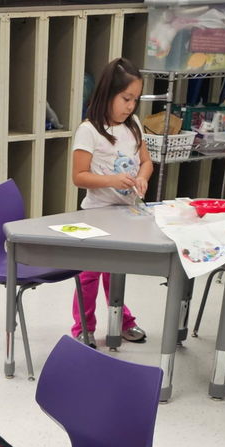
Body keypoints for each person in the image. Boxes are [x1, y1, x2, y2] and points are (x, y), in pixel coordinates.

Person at [71, 57, 152, 348]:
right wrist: (112, 180)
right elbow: (79, 176)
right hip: (96, 215)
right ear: (108, 94)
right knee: (89, 274)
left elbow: (146, 162)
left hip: (125, 214)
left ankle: (122, 321)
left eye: (135, 100)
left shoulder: (134, 125)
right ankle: (83, 327)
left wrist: (142, 177)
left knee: (116, 271)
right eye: (126, 98)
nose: (131, 106)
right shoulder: (89, 130)